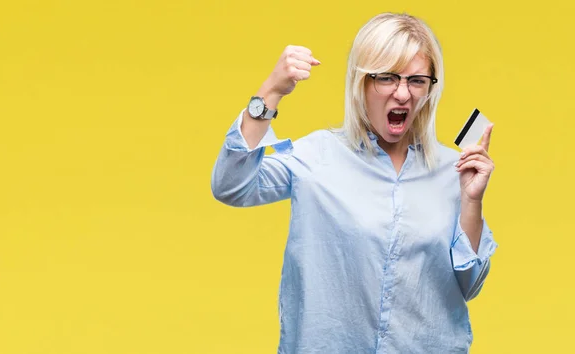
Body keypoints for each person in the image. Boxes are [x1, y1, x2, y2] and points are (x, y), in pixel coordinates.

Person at [211, 12, 498, 354]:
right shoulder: (317, 156)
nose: (403, 94)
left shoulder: (454, 169)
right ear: (361, 81)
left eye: (417, 80)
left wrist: (472, 202)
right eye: (387, 78)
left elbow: (469, 285)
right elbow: (231, 185)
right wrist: (270, 91)